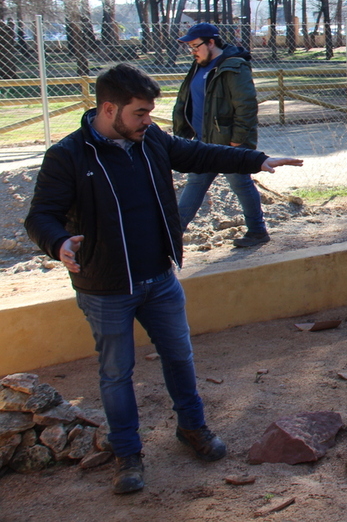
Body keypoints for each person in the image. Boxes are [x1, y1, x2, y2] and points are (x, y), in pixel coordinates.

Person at [25, 64, 303, 494]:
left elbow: (200, 154)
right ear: (109, 108)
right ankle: (128, 454)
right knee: (116, 374)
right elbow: (40, 215)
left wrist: (256, 159)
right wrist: (58, 242)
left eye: (151, 112)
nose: (148, 121)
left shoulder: (149, 139)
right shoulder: (69, 156)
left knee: (180, 358)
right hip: (106, 287)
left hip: (159, 278)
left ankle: (192, 429)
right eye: (139, 113)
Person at [172, 23, 269, 247]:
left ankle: (257, 231)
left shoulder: (234, 66)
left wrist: (237, 140)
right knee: (195, 185)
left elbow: (246, 105)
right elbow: (186, 101)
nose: (192, 51)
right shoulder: (198, 65)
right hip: (202, 143)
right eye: (190, 47)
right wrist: (182, 133)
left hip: (227, 144)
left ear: (211, 43)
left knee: (241, 184)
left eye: (196, 46)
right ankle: (172, 234)